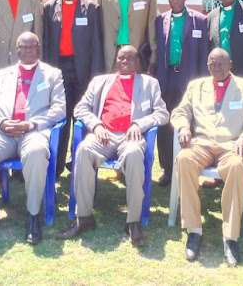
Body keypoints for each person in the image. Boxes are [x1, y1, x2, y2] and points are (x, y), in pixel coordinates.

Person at [56, 46, 168, 246]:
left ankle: (133, 222)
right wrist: (97, 125)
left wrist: (139, 124)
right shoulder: (100, 82)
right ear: (116, 60)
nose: (125, 62)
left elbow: (162, 114)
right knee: (82, 151)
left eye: (130, 59)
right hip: (103, 136)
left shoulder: (150, 84)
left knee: (134, 155)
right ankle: (83, 217)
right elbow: (80, 108)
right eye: (121, 58)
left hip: (130, 138)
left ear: (137, 62)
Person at [0, 32, 65, 245]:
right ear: (16, 50)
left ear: (39, 48)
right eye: (23, 47)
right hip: (4, 133)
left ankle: (33, 215)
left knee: (38, 153)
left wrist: (31, 124)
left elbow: (59, 109)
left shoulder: (53, 75)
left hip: (33, 132)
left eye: (32, 47)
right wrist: (1, 123)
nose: (28, 51)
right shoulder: (2, 75)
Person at [171, 47, 243, 266]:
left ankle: (230, 237)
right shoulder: (196, 86)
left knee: (234, 167)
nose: (217, 67)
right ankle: (194, 230)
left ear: (230, 64)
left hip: (231, 146)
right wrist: (184, 126)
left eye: (221, 63)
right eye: (212, 63)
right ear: (207, 65)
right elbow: (180, 112)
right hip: (202, 144)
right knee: (184, 160)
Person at [42, 0, 103, 176]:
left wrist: (96, 73)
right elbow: (46, 42)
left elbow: (97, 42)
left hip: (83, 70)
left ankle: (80, 163)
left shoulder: (92, 8)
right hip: (58, 70)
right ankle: (58, 165)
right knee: (60, 117)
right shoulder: (49, 8)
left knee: (83, 116)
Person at [154, 0, 209, 187]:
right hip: (166, 79)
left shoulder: (200, 21)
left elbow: (204, 53)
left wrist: (203, 82)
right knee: (165, 124)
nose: (175, 2)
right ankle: (168, 169)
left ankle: (191, 167)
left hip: (190, 80)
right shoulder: (160, 20)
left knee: (190, 124)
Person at [96, 0, 157, 74]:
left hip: (136, 54)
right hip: (112, 56)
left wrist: (154, 57)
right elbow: (98, 27)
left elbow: (152, 26)